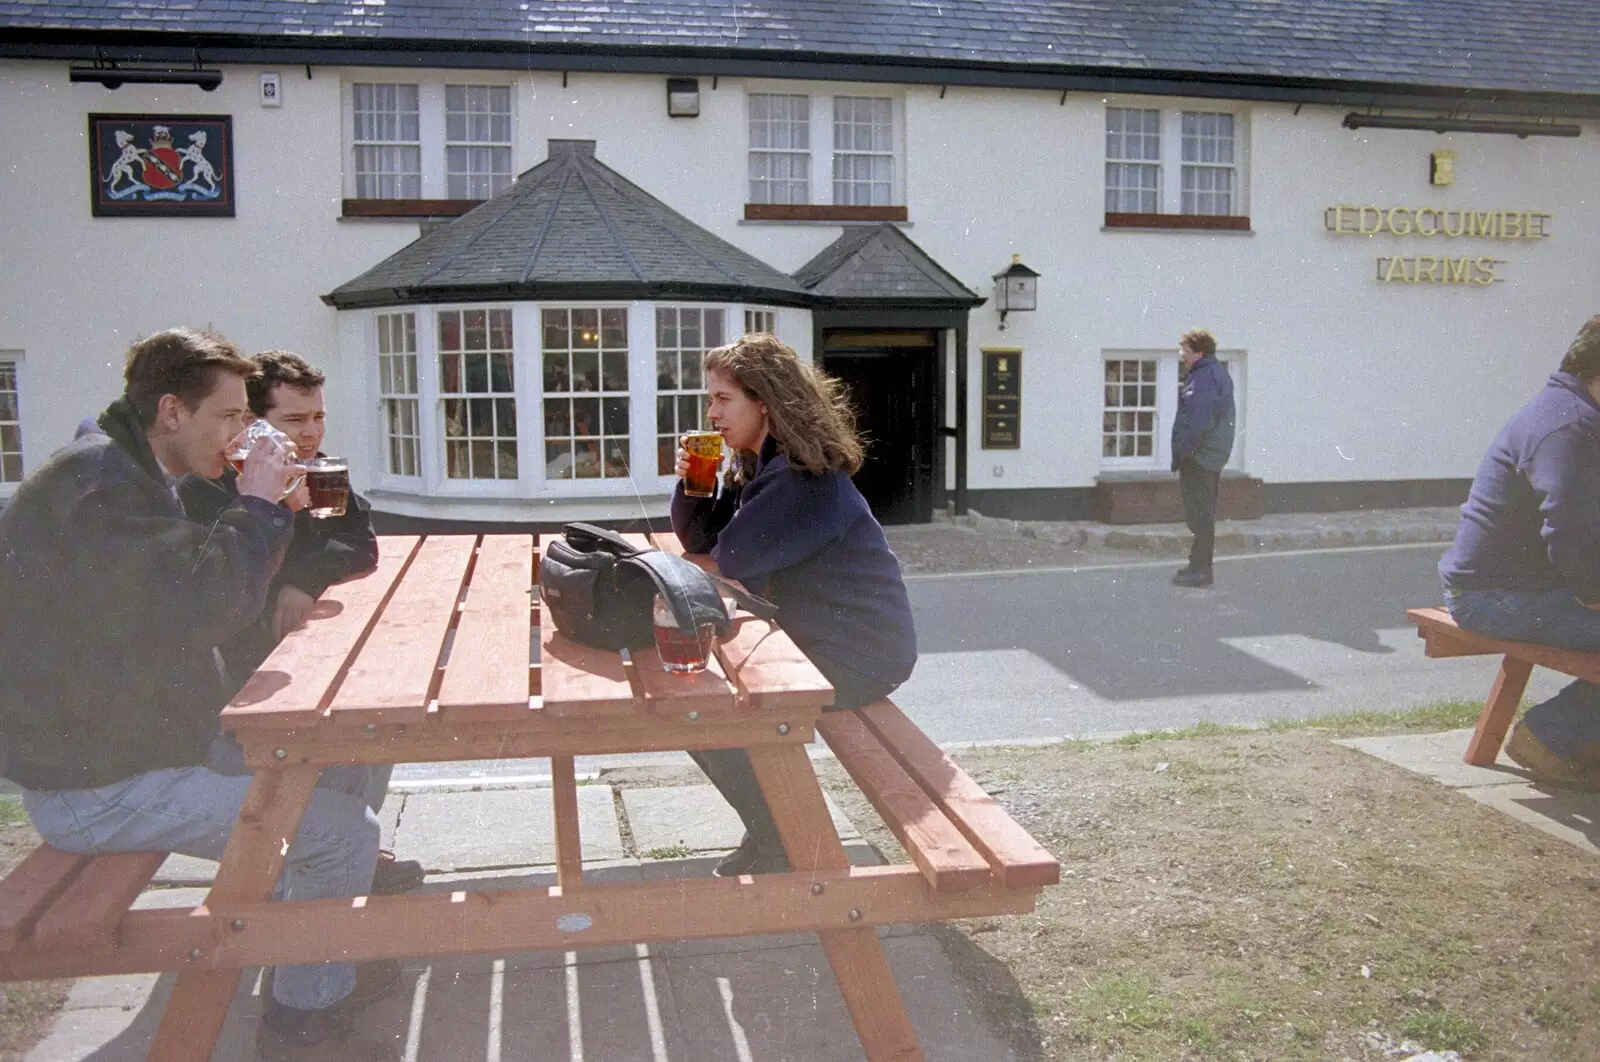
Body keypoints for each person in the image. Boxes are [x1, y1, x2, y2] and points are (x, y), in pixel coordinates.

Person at [0, 329, 396, 1057]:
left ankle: (313, 927)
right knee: (345, 836)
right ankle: (305, 1011)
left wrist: (264, 506)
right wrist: (262, 503)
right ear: (172, 411)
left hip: (139, 748)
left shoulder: (121, 471)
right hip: (99, 787)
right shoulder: (99, 493)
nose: (245, 433)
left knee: (333, 762)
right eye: (232, 417)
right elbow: (210, 603)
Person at [670, 334, 917, 876]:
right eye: (709, 400)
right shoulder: (763, 463)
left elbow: (724, 560)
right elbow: (700, 542)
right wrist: (695, 479)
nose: (711, 415)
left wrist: (697, 553)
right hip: (815, 638)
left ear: (765, 402)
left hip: (859, 654)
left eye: (723, 399)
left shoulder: (804, 478)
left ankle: (784, 839)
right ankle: (775, 832)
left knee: (707, 711)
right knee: (700, 707)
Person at [179, 351, 422, 894]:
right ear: (251, 421)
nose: (311, 433)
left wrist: (304, 581)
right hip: (239, 681)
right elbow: (219, 586)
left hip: (301, 657)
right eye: (295, 420)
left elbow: (360, 544)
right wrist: (280, 512)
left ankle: (350, 857)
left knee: (373, 720)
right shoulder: (209, 487)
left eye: (318, 417)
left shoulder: (320, 467)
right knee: (341, 740)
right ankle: (325, 866)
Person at [1439, 315, 1600, 787]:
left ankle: (1565, 735)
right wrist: (1595, 593)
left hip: (1520, 588)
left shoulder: (1572, 414)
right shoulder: (1568, 426)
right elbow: (1570, 529)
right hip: (1495, 597)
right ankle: (1550, 736)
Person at [1170, 329, 1236, 588]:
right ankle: (1197, 565)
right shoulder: (1209, 373)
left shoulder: (1205, 378)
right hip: (1206, 455)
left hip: (1201, 457)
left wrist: (1185, 452)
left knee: (1200, 515)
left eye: (1185, 350)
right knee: (1201, 514)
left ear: (1200, 352)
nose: (1182, 355)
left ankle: (1201, 571)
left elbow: (1200, 421)